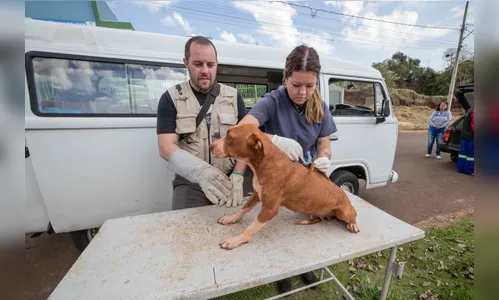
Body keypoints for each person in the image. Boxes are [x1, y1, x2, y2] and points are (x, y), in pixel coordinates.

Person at [238, 44, 337, 294]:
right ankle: (282, 275)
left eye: (309, 85)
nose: (303, 92)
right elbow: (244, 128)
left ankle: (305, 269)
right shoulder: (273, 101)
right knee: (277, 226)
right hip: (275, 179)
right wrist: (274, 140)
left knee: (303, 227)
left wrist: (324, 157)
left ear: (316, 82)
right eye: (296, 85)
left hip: (304, 180)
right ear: (285, 78)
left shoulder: (321, 107)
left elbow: (324, 143)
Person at [156, 36, 248, 210]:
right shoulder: (171, 98)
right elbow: (166, 147)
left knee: (230, 231)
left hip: (228, 180)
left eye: (210, 65)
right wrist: (200, 172)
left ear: (217, 64)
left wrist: (238, 175)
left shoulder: (234, 97)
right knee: (186, 232)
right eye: (198, 64)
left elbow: (244, 143)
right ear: (186, 62)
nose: (205, 70)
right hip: (191, 183)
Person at [457, 107, 474, 175]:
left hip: (465, 136)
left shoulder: (470, 110)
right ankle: (468, 170)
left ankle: (460, 169)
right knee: (471, 155)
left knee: (463, 154)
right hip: (471, 137)